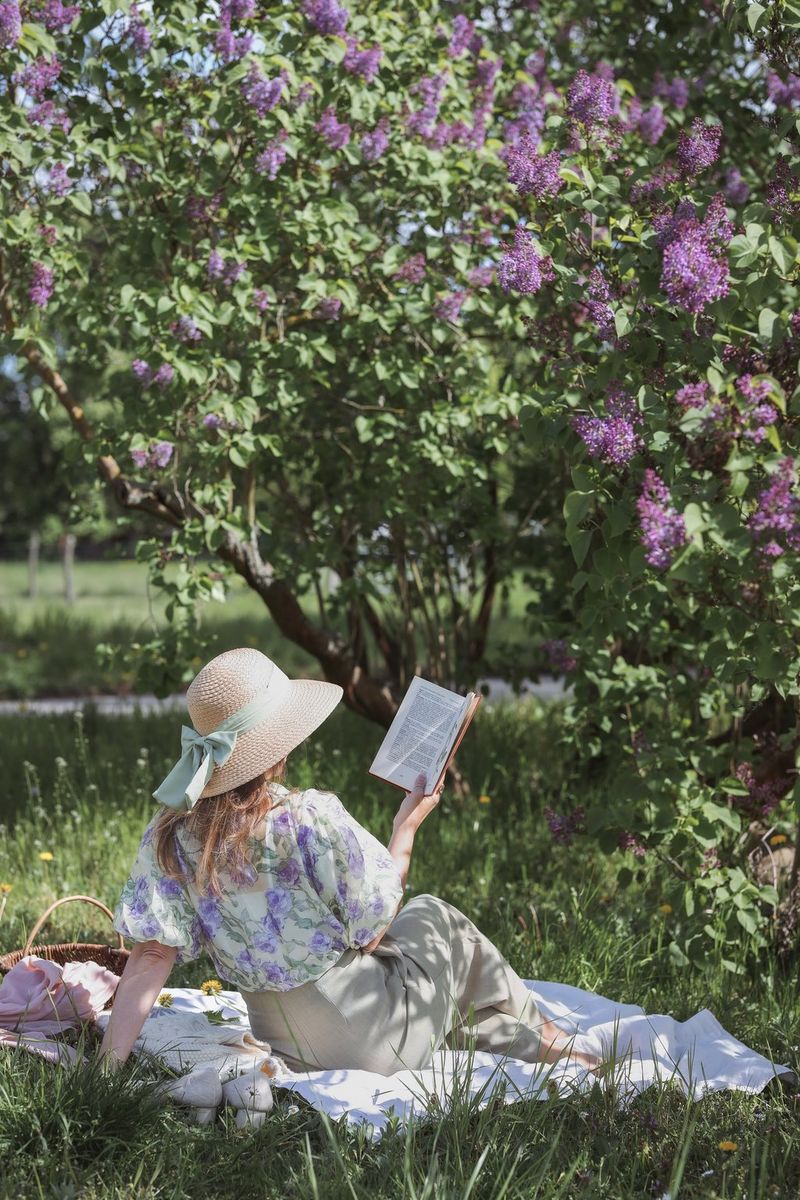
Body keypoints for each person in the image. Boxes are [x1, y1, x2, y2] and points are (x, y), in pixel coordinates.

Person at [99, 648, 601, 1076]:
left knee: (439, 993)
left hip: (286, 1045)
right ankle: (547, 1033)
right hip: (368, 1038)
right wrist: (406, 826)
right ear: (278, 744)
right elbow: (374, 931)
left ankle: (536, 1045)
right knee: (434, 916)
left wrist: (106, 1073)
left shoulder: (170, 834)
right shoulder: (306, 818)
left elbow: (150, 957)